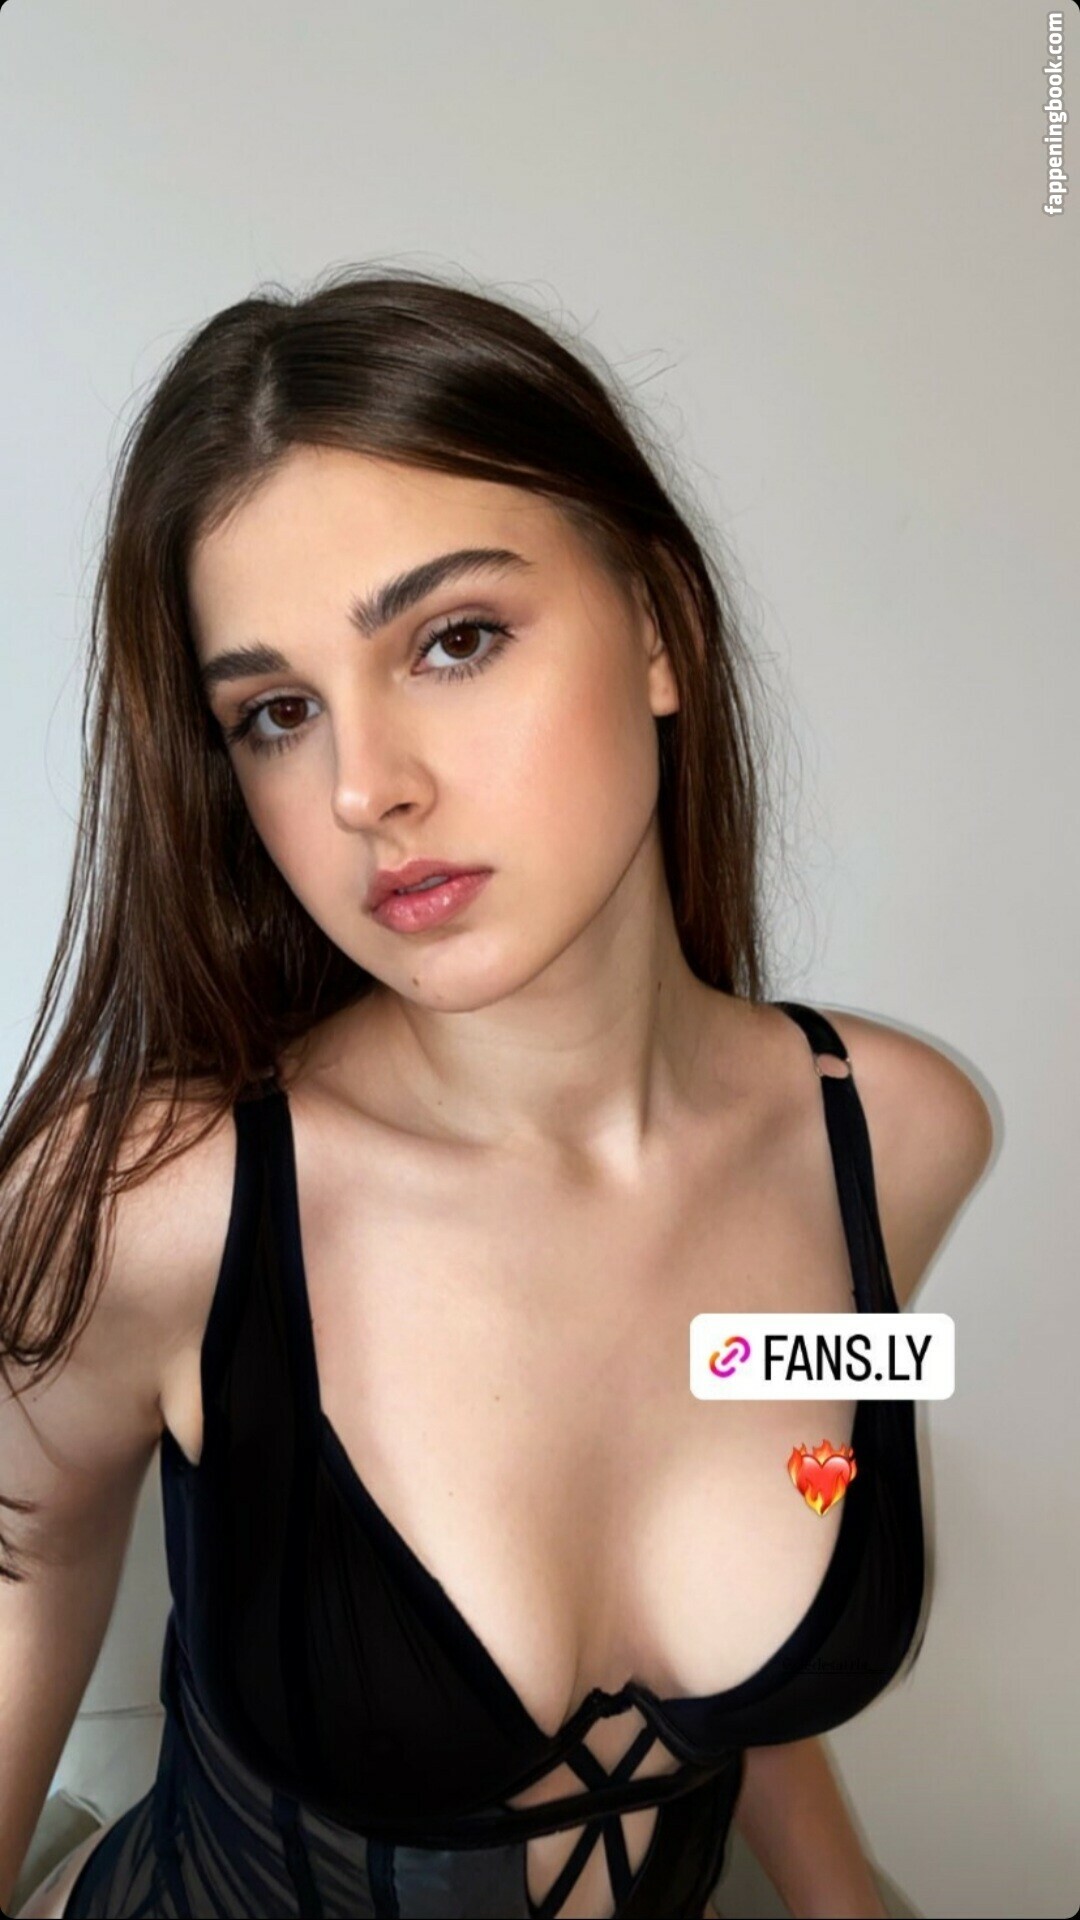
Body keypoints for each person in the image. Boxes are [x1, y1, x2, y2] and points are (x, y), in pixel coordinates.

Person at [1, 266, 993, 1920]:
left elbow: (762, 1469)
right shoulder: (154, 1206)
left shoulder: (896, 1139)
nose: (364, 787)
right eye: (276, 713)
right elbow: (21, 1574)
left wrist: (849, 1898)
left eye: (454, 640)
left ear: (662, 633)